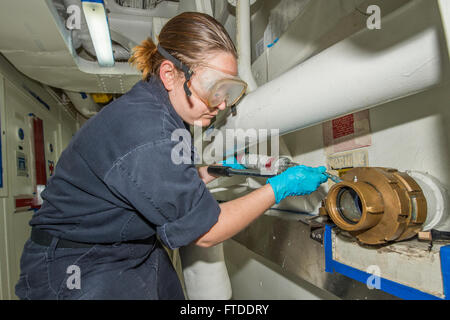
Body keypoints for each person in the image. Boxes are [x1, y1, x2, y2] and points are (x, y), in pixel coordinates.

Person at [15, 12, 327, 300]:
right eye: (213, 88)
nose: (221, 105)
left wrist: (213, 171)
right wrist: (280, 187)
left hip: (131, 248)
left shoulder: (167, 113)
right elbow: (208, 231)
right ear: (169, 74)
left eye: (229, 91)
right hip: (79, 263)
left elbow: (161, 178)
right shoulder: (146, 132)